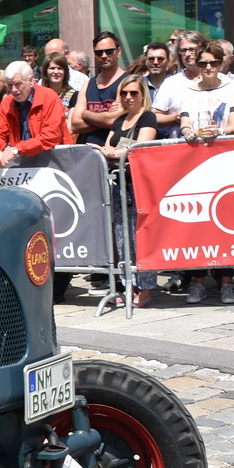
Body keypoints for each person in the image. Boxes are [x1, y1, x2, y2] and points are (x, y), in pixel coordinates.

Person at [176, 40, 234, 306]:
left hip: (224, 161)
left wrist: (221, 132)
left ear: (221, 63)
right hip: (195, 162)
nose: (207, 67)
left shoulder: (231, 88)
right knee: (196, 225)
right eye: (202, 62)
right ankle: (197, 282)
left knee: (225, 224)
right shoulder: (188, 90)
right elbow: (184, 119)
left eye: (213, 63)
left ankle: (227, 283)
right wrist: (187, 131)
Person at [99, 75, 160, 307]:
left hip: (140, 186)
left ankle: (145, 287)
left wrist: (113, 152)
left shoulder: (147, 117)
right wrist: (111, 151)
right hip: (119, 185)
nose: (128, 97)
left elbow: (139, 148)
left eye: (134, 93)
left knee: (141, 236)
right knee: (122, 238)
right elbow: (107, 147)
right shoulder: (119, 120)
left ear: (143, 94)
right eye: (124, 93)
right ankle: (128, 285)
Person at [0, 62, 66, 167]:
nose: (13, 90)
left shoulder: (49, 97)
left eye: (18, 84)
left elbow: (51, 136)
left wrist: (17, 150)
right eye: (10, 85)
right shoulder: (7, 102)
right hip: (23, 165)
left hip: (53, 164)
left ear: (31, 81)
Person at [70, 32, 126, 146]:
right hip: (87, 152)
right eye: (99, 52)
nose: (104, 55)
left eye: (109, 51)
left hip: (114, 154)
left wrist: (86, 114)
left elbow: (112, 121)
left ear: (118, 51)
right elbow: (75, 124)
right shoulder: (88, 84)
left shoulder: (128, 83)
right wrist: (105, 117)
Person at [151, 30, 208, 137]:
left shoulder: (218, 80)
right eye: (183, 50)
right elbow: (155, 116)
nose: (187, 54)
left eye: (192, 49)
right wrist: (178, 118)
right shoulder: (171, 83)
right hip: (181, 146)